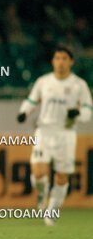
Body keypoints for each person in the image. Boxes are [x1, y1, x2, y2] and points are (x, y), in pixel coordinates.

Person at [17, 46, 92, 226]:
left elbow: (88, 109)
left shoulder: (79, 85)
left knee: (61, 177)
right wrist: (24, 112)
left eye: (64, 58)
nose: (60, 62)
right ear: (53, 61)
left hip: (66, 134)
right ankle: (42, 194)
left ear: (71, 62)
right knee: (38, 172)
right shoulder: (44, 82)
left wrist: (78, 114)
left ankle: (52, 212)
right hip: (44, 131)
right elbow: (32, 100)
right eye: (57, 58)